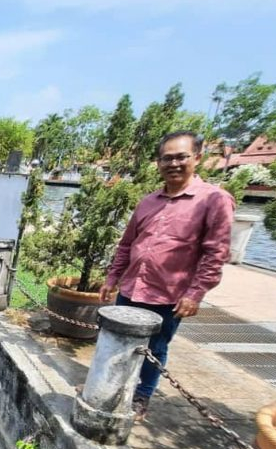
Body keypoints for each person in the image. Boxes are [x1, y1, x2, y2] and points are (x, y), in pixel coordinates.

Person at [99, 131, 235, 420]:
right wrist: (113, 278)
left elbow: (216, 253)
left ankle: (141, 397)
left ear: (197, 158)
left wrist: (195, 293)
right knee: (118, 342)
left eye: (181, 156)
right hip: (132, 287)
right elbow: (127, 244)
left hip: (168, 293)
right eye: (167, 158)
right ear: (158, 162)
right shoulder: (148, 202)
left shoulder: (213, 200)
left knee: (155, 349)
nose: (173, 163)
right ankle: (108, 389)